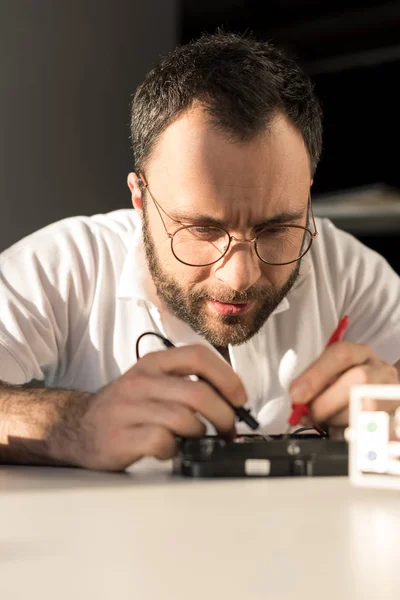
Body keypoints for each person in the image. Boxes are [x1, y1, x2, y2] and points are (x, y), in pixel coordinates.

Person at [0, 31, 399, 471]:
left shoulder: (346, 270)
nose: (240, 277)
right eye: (202, 228)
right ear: (140, 200)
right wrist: (74, 425)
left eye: (277, 228)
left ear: (307, 197)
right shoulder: (68, 264)